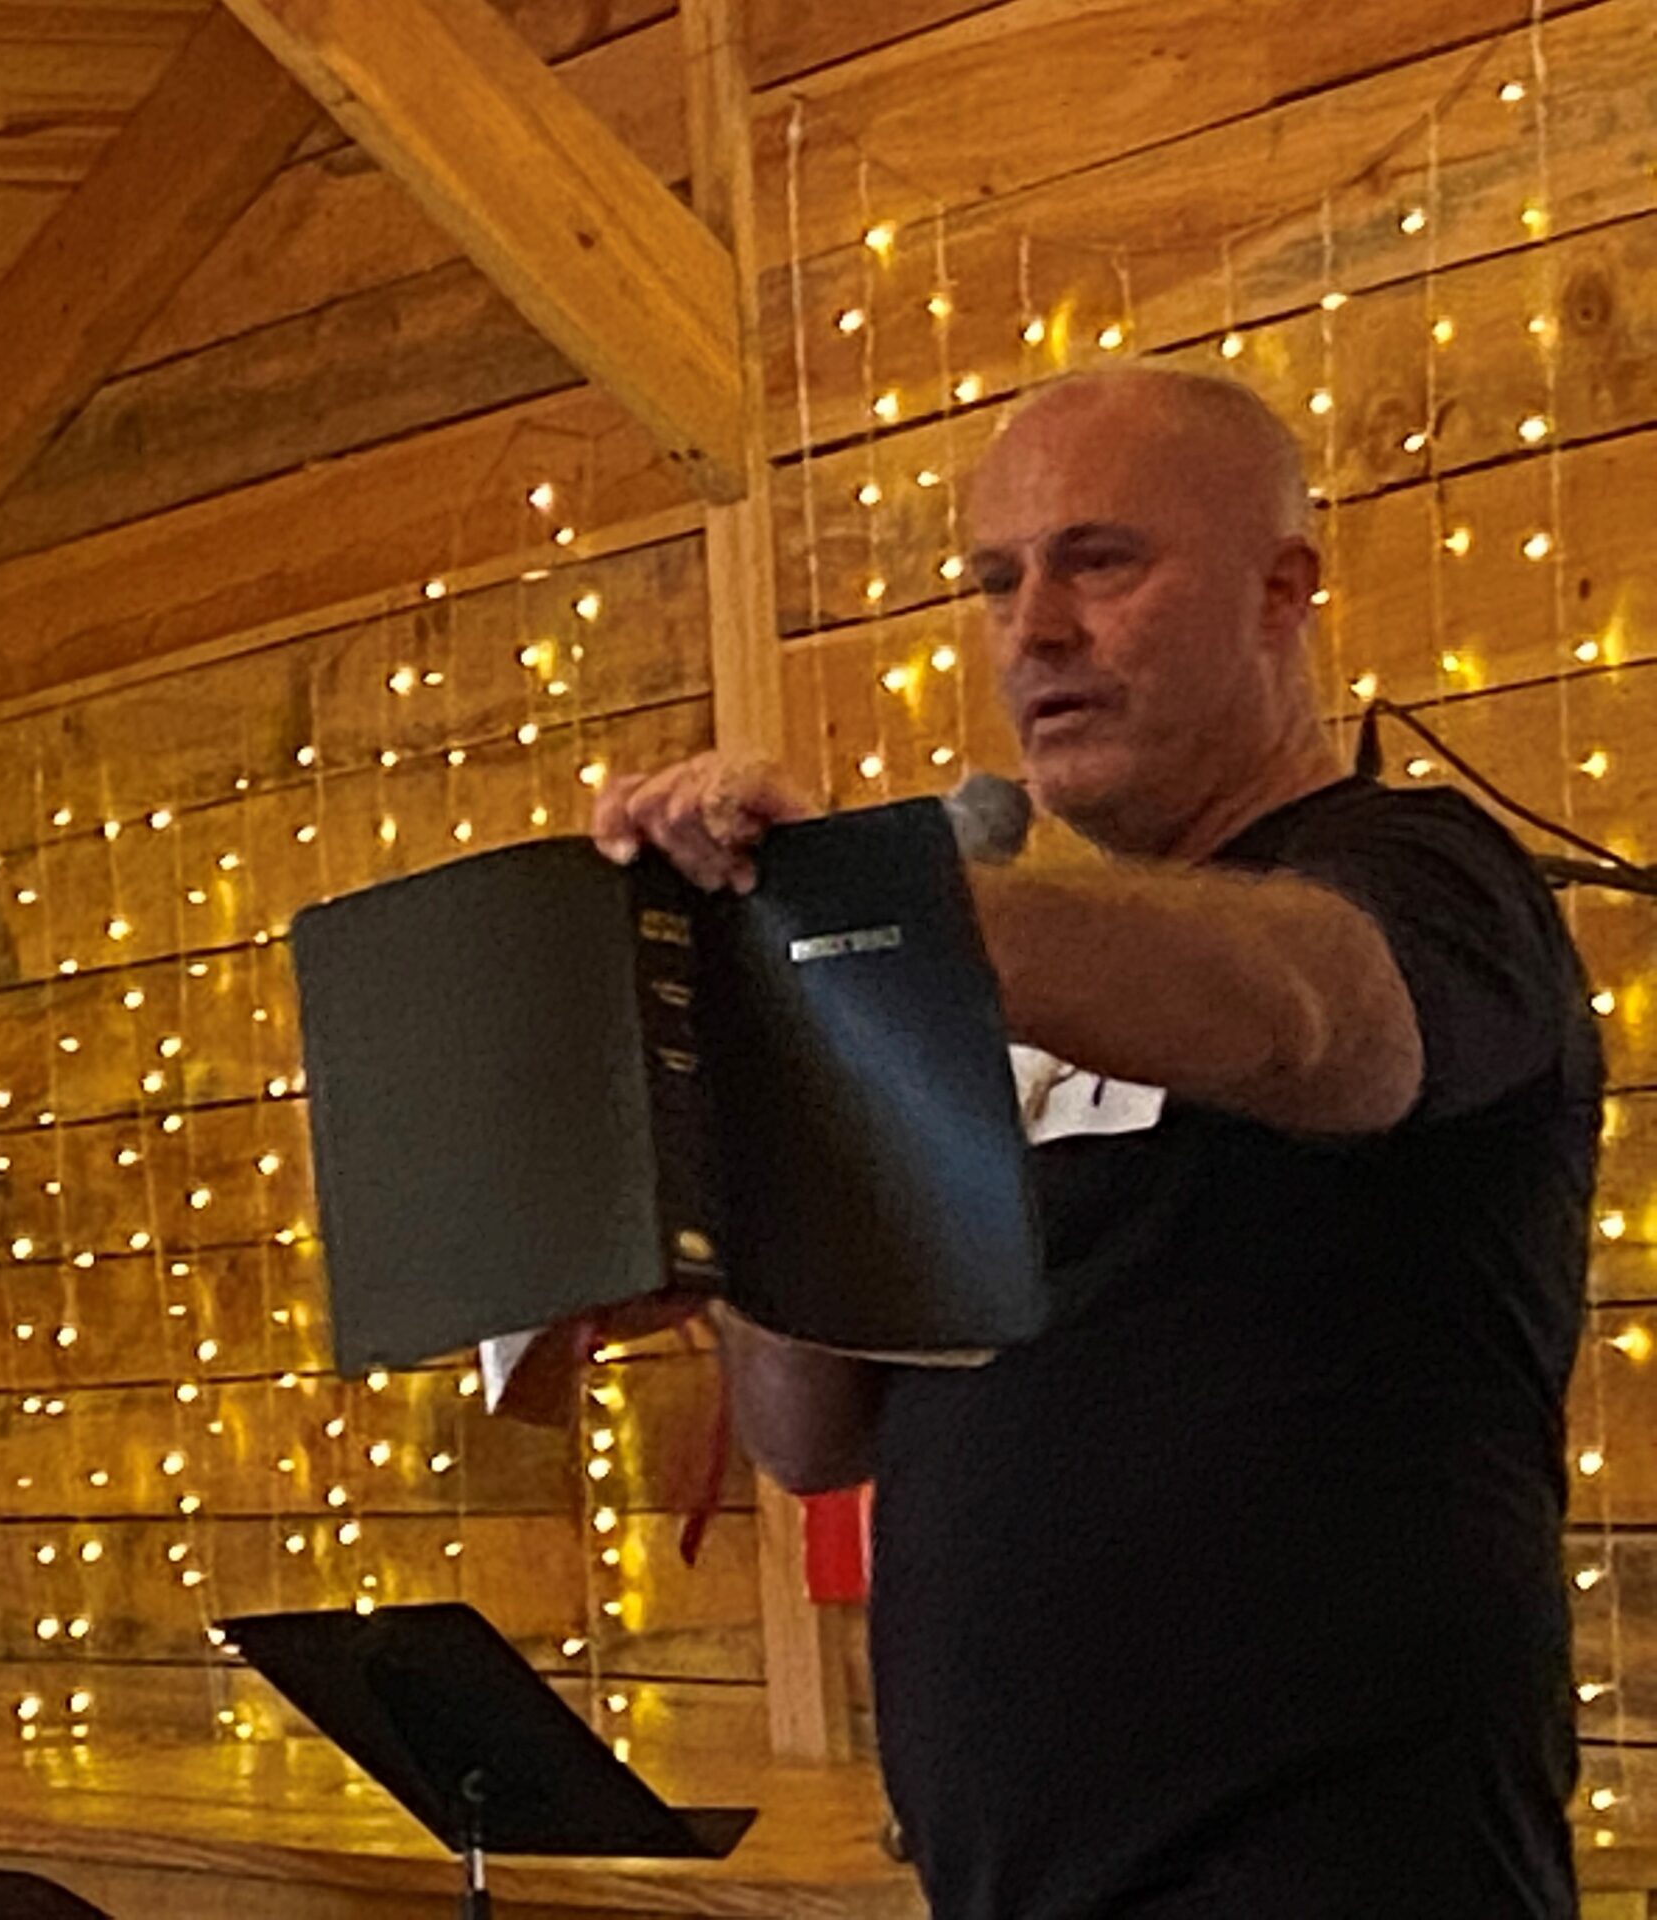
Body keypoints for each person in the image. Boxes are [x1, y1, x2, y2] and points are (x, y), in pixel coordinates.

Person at [590, 368, 1602, 1918]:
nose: (1033, 629)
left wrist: (878, 905)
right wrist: (755, 1049)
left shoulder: (1432, 875)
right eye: (998, 582)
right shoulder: (991, 979)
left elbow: (1304, 1017)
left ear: (1282, 591)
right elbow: (816, 1425)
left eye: (1100, 561)